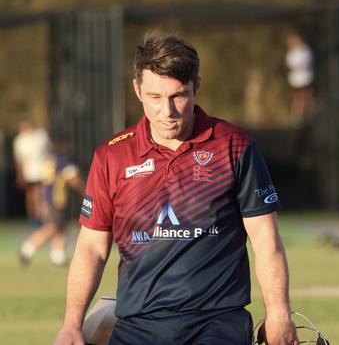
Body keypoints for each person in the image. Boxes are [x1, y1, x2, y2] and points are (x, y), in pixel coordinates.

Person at [54, 33, 299, 345]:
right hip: (136, 324)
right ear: (137, 90)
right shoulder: (111, 156)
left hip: (217, 322)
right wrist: (72, 324)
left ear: (197, 85)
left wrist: (279, 313)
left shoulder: (235, 146)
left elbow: (266, 239)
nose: (166, 112)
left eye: (178, 96)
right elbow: (91, 247)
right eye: (155, 97)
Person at [18, 138, 85, 266]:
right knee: (52, 227)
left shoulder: (50, 158)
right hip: (57, 198)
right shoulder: (62, 160)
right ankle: (27, 249)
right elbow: (73, 178)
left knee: (61, 226)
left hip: (52, 198)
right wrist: (86, 190)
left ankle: (57, 255)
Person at [13, 119, 50, 228]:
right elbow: (19, 160)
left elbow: (49, 152)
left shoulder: (41, 136)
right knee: (31, 196)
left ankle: (44, 217)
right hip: (29, 173)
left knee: (42, 195)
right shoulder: (19, 140)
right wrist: (20, 175)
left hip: (43, 172)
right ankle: (34, 219)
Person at [285, 34, 316, 123]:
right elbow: (290, 65)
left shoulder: (306, 51)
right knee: (297, 98)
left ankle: (311, 115)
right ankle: (296, 116)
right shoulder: (291, 53)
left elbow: (307, 63)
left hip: (307, 78)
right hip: (296, 80)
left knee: (309, 96)